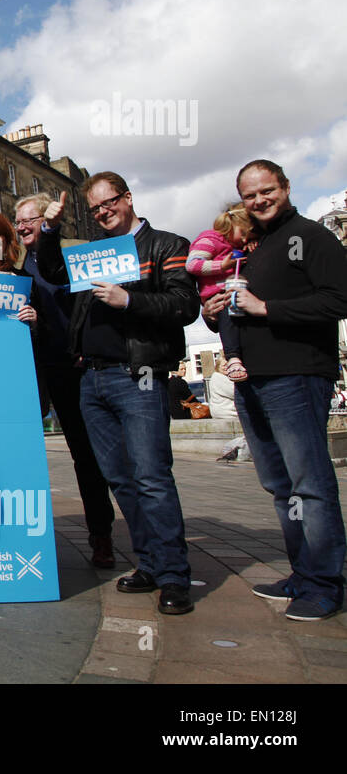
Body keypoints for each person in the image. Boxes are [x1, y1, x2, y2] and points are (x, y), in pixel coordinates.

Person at [36, 172, 199, 615]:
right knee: (121, 479)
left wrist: (130, 301)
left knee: (151, 476)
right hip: (92, 377)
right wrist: (50, 229)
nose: (103, 212)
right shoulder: (95, 253)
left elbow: (185, 305)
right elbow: (51, 269)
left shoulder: (165, 245)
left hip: (139, 375)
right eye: (95, 209)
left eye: (109, 203)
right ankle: (148, 563)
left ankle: (173, 577)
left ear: (127, 198)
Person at [201, 159, 347, 620]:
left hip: (297, 376)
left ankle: (326, 585)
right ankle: (303, 574)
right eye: (250, 195)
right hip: (254, 382)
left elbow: (339, 298)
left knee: (311, 484)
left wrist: (266, 307)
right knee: (281, 487)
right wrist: (217, 312)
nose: (259, 200)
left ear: (284, 187)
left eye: (267, 191)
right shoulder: (256, 247)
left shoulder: (311, 236)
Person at [15, 192, 116, 568]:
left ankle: (114, 533)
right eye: (19, 221)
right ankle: (92, 535)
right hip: (43, 369)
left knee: (98, 456)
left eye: (31, 218)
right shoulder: (16, 266)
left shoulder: (77, 254)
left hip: (83, 366)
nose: (23, 226)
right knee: (59, 454)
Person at [186, 205, 252, 380]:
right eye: (243, 233)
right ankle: (233, 357)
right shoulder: (210, 239)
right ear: (232, 225)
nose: (245, 239)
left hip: (234, 289)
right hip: (217, 293)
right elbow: (192, 264)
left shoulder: (236, 244)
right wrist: (221, 266)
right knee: (228, 319)